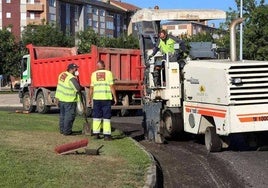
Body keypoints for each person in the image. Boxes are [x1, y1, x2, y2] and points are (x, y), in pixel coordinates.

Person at [88, 60, 117, 141]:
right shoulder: (109, 73)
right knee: (106, 117)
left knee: (96, 116)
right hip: (106, 98)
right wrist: (115, 97)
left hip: (96, 98)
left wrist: (89, 98)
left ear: (97, 67)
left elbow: (91, 88)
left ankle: (96, 134)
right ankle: (107, 135)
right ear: (104, 65)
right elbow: (112, 86)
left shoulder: (93, 74)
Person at [55, 63, 81, 136]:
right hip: (69, 100)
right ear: (71, 69)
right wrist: (79, 84)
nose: (77, 70)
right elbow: (77, 88)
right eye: (75, 69)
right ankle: (67, 131)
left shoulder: (62, 74)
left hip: (61, 98)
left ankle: (62, 130)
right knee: (69, 116)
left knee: (62, 116)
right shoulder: (71, 78)